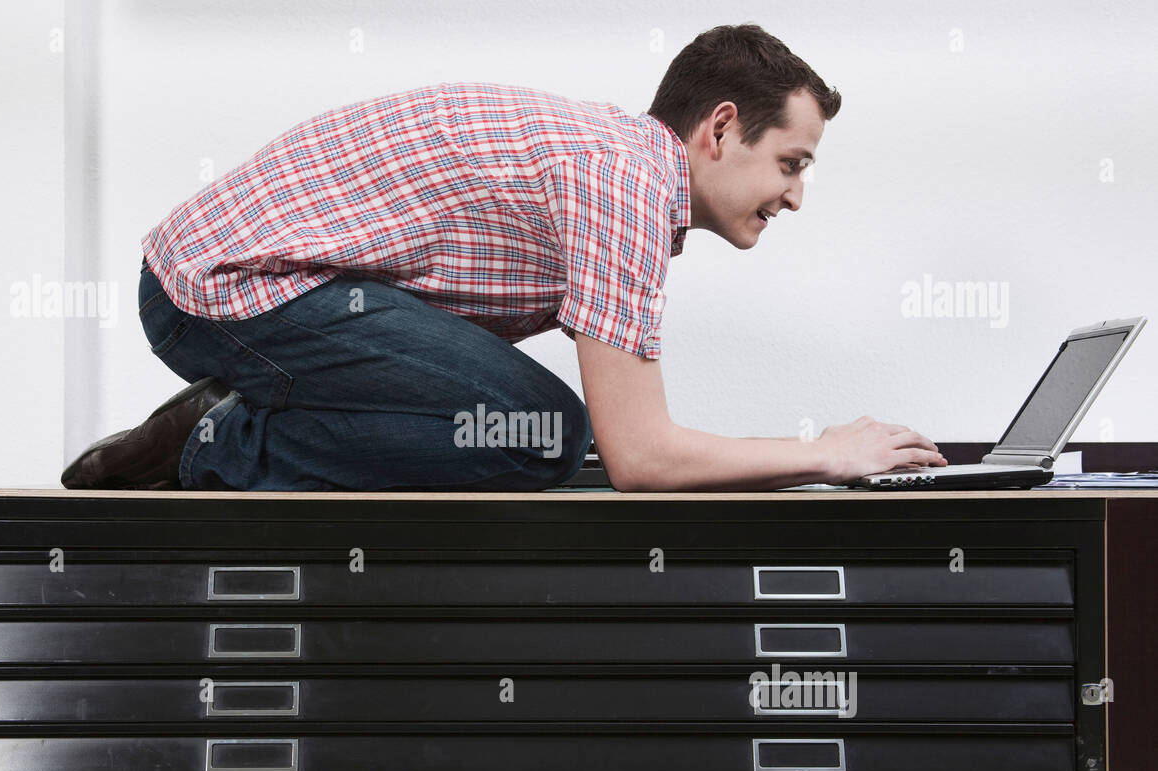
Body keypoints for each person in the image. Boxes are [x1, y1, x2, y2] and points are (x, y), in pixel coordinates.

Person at [62, 22, 946, 492]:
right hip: (223, 290)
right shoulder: (625, 182)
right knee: (539, 435)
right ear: (720, 128)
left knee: (519, 425)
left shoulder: (620, 168)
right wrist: (827, 454)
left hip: (273, 285)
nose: (795, 195)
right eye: (792, 163)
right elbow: (642, 461)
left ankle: (235, 414)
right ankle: (218, 441)